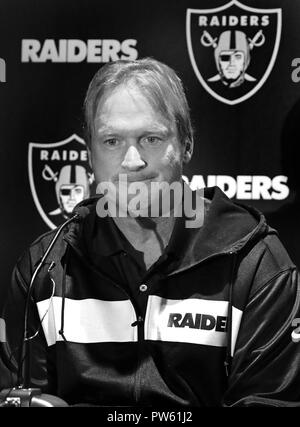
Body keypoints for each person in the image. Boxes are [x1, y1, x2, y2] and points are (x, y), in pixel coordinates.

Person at [0, 58, 300, 407]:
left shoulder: (255, 265)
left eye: (151, 139)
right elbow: (22, 397)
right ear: (89, 155)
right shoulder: (46, 267)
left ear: (187, 144)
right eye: (111, 141)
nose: (131, 160)